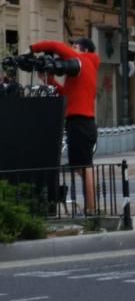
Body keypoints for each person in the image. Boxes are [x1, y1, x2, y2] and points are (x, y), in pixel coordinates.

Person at [30, 37, 101, 211]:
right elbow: (66, 95)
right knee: (81, 166)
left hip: (80, 121)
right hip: (83, 122)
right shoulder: (83, 70)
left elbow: (55, 46)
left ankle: (91, 209)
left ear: (83, 50)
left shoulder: (82, 61)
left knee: (84, 167)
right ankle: (91, 207)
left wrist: (32, 48)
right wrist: (50, 81)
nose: (71, 48)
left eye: (75, 45)